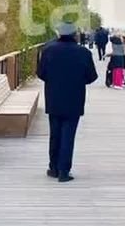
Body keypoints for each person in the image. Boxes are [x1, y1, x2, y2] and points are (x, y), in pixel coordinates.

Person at [36, 21, 98, 182]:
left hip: (54, 98)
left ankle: (53, 168)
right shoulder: (83, 52)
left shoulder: (48, 50)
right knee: (68, 136)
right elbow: (92, 76)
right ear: (74, 34)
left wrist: (53, 80)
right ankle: (64, 171)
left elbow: (40, 73)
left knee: (55, 134)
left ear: (59, 33)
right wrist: (78, 80)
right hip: (74, 99)